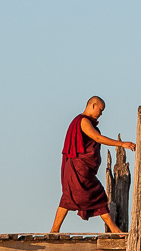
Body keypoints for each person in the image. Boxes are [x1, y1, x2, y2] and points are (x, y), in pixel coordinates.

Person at [50, 96, 135, 233]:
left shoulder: (82, 121)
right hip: (78, 169)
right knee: (94, 195)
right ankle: (115, 230)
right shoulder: (83, 121)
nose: (100, 114)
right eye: (100, 110)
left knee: (71, 196)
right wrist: (121, 144)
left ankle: (55, 230)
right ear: (93, 105)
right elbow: (97, 138)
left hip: (81, 169)